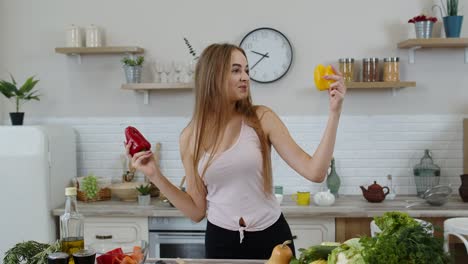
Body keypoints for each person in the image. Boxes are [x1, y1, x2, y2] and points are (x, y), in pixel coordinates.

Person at [125, 43, 346, 259]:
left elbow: (315, 172)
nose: (245, 77)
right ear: (214, 76)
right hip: (221, 242)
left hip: (272, 240)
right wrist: (155, 175)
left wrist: (334, 113)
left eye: (247, 70)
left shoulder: (262, 118)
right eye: (236, 70)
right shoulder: (190, 137)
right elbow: (196, 211)